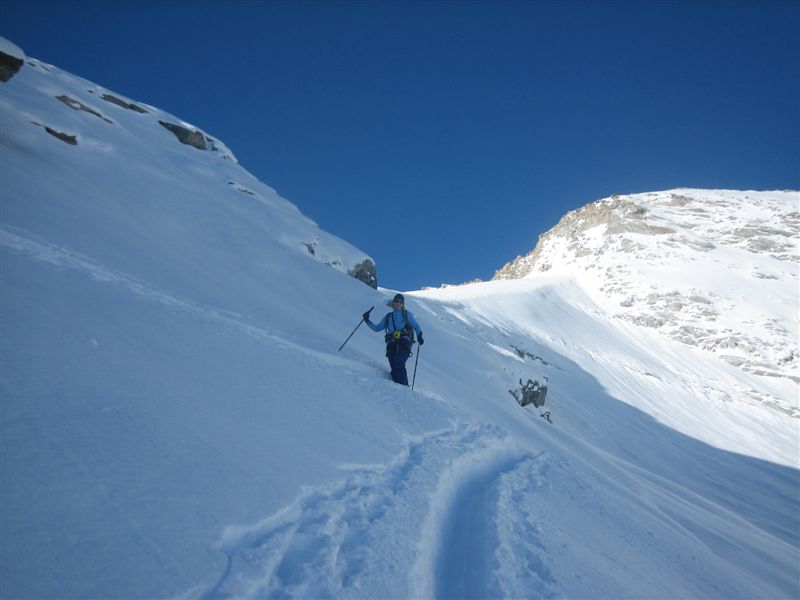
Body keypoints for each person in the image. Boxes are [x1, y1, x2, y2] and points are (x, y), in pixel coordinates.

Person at [364, 293, 424, 385]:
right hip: (391, 343)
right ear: (393, 302)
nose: (398, 303)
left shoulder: (406, 314)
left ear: (403, 304)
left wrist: (419, 336)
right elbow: (376, 328)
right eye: (397, 301)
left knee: (398, 363)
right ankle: (398, 388)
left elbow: (415, 326)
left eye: (401, 302)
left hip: (404, 341)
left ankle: (404, 388)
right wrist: (367, 320)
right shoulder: (388, 317)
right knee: (394, 366)